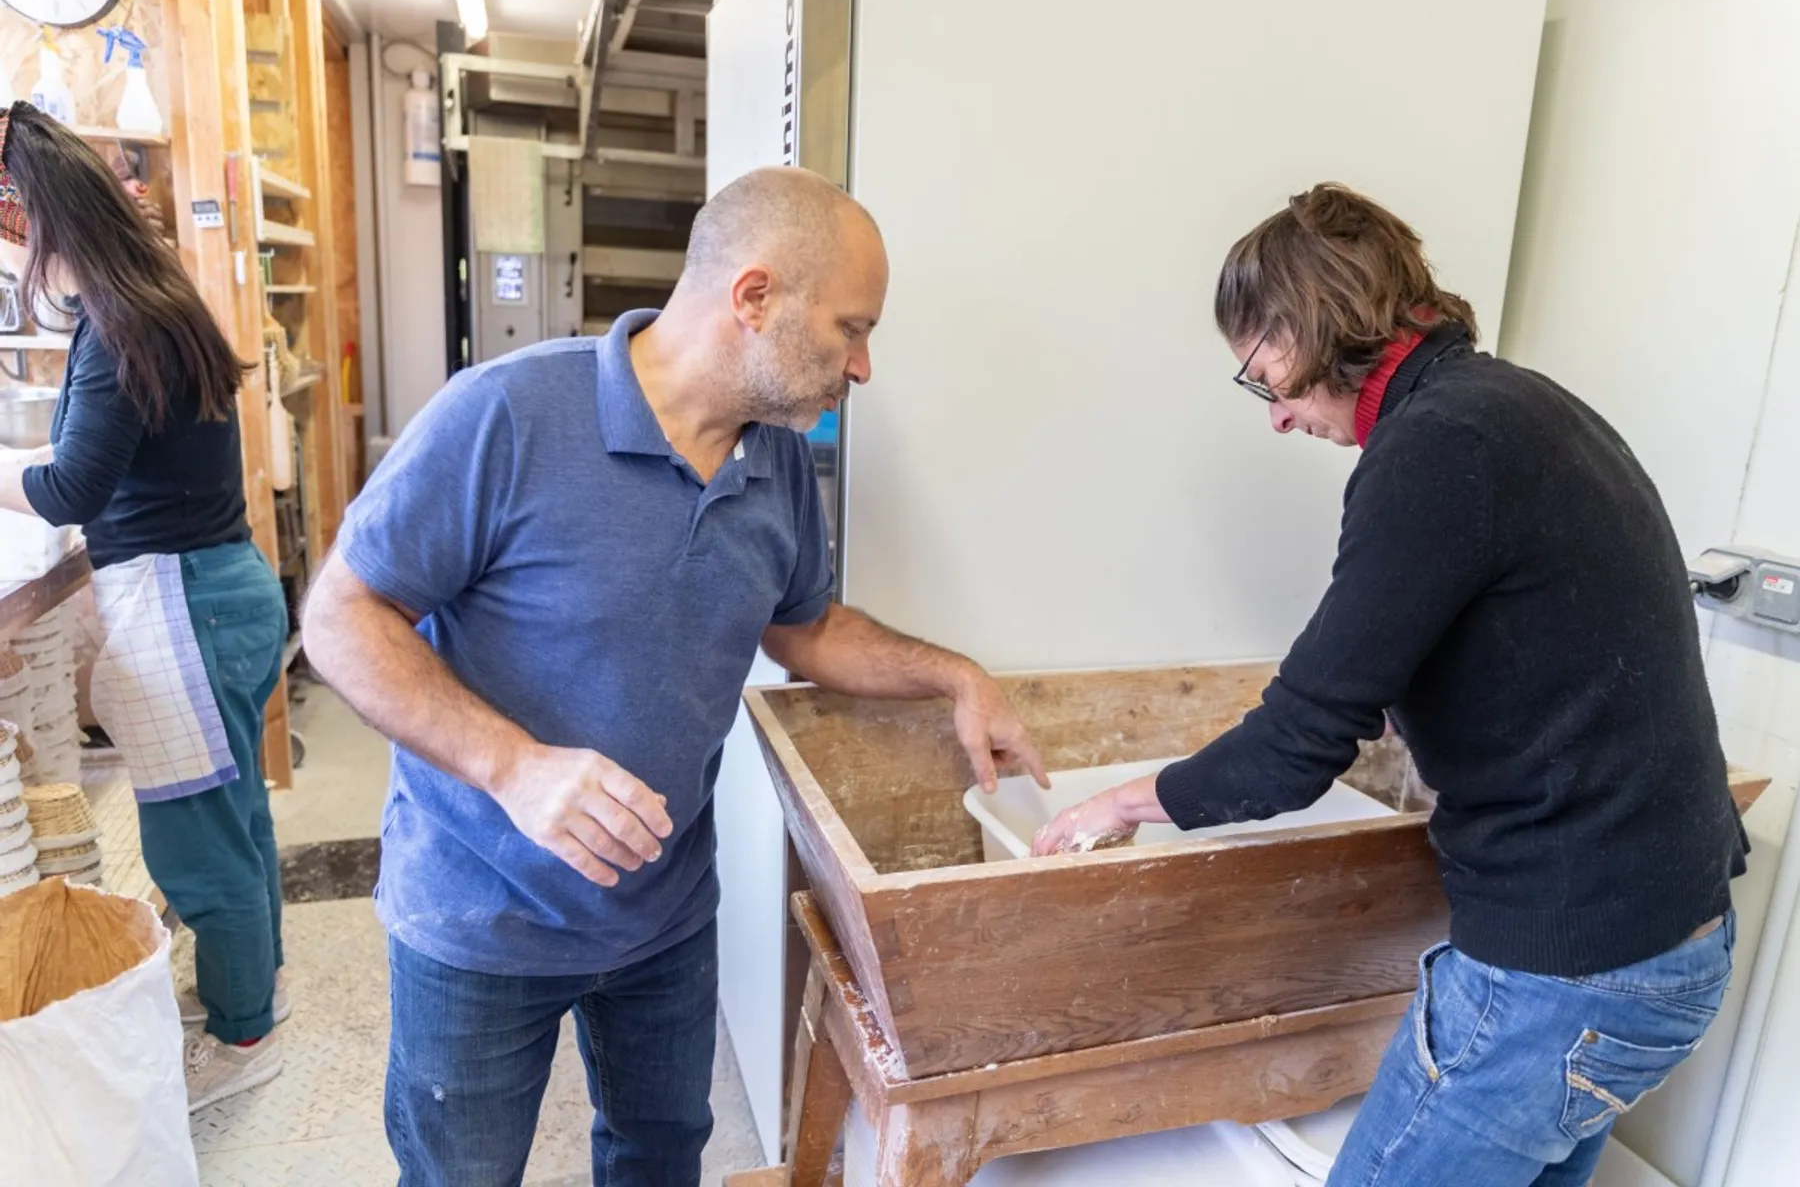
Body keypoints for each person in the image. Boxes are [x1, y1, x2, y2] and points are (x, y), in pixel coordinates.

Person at [301, 166, 1049, 1187]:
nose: (863, 366)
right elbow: (340, 617)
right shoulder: (506, 415)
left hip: (664, 919)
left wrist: (953, 676)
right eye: (851, 328)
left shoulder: (776, 462)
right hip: (480, 914)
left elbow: (807, 629)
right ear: (755, 297)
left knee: (659, 1159)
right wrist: (515, 768)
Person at [1034, 184, 1747, 1187]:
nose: (1277, 418)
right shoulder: (1527, 407)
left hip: (1564, 976)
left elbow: (1295, 748)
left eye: (1262, 378)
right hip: (1672, 944)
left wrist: (1118, 804)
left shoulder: (1437, 447)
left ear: (1302, 328)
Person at [0, 103, 290, 1110]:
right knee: (234, 817)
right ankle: (258, 988)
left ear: (33, 222)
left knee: (195, 845)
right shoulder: (154, 298)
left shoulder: (115, 324)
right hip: (222, 587)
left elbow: (72, 488)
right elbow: (100, 458)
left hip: (184, 606)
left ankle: (246, 1036)